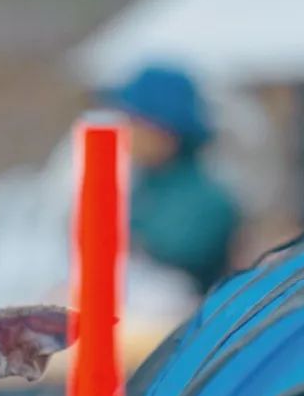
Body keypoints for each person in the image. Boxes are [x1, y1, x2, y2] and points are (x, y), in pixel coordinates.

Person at [102, 65, 240, 293]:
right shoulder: (143, 184)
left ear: (165, 129)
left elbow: (170, 263)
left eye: (135, 121)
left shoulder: (206, 200)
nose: (126, 131)